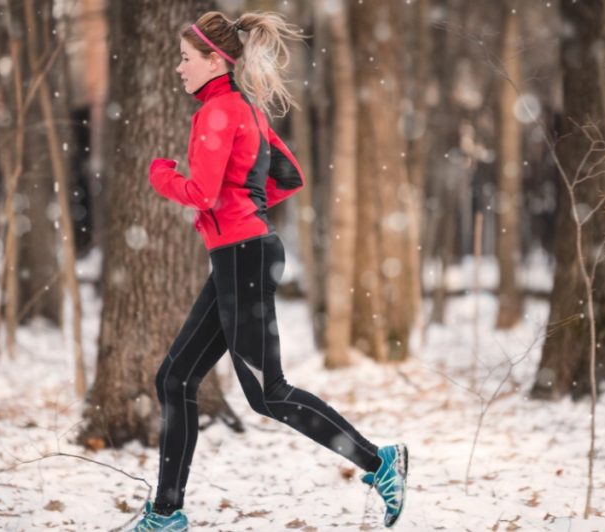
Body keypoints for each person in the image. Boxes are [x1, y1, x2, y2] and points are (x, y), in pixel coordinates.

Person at [137, 10, 409, 532]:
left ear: (214, 61)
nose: (179, 67)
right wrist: (247, 208)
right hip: (243, 254)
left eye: (186, 58)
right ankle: (166, 514)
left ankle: (380, 462)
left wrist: (161, 175)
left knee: (268, 393)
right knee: (175, 378)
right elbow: (288, 176)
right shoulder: (247, 109)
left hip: (243, 256)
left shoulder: (218, 111)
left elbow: (202, 193)